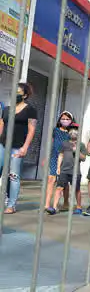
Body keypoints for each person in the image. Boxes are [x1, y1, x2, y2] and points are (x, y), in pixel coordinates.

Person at [0, 83, 37, 214]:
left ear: (25, 95)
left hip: (18, 147)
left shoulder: (30, 109)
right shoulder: (6, 109)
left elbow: (32, 130)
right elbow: (1, 126)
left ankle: (11, 204)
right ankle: (5, 198)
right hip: (3, 145)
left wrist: (25, 147)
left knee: (13, 176)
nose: (15, 94)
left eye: (18, 92)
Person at [46, 125, 87, 215]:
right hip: (64, 170)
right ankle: (54, 208)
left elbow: (84, 158)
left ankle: (79, 207)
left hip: (75, 172)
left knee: (77, 189)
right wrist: (58, 167)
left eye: (75, 130)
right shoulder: (64, 143)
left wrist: (77, 151)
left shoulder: (81, 145)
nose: (73, 132)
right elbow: (61, 155)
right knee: (59, 188)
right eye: (71, 130)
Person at [43, 111, 74, 212]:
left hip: (66, 158)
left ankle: (66, 202)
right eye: (63, 119)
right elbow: (50, 143)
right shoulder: (55, 130)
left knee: (64, 182)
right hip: (54, 156)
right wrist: (46, 157)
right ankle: (47, 204)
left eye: (67, 119)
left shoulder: (72, 132)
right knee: (51, 179)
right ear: (60, 120)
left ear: (71, 121)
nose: (65, 121)